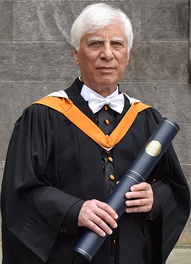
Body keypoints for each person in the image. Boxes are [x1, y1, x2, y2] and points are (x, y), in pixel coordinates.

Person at [1, 3, 190, 264]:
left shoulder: (146, 119)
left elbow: (173, 187)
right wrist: (73, 210)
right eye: (95, 44)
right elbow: (20, 193)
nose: (107, 54)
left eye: (117, 44)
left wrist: (155, 199)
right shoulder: (43, 117)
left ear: (128, 54)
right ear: (76, 54)